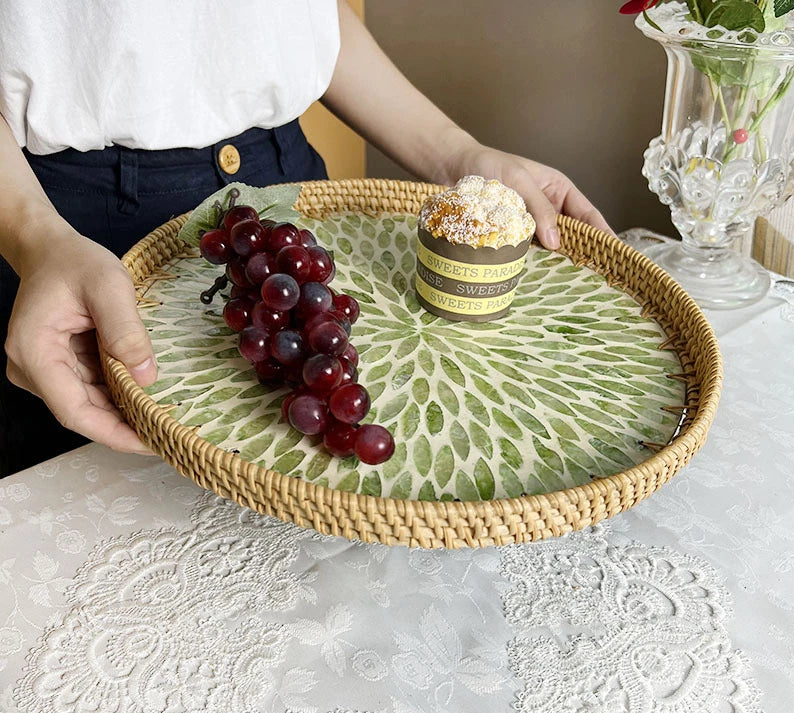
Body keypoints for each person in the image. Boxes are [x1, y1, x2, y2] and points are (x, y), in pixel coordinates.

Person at [0, 0, 611, 476]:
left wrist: (457, 154)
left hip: (289, 203)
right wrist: (32, 234)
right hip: (64, 235)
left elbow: (298, 16)